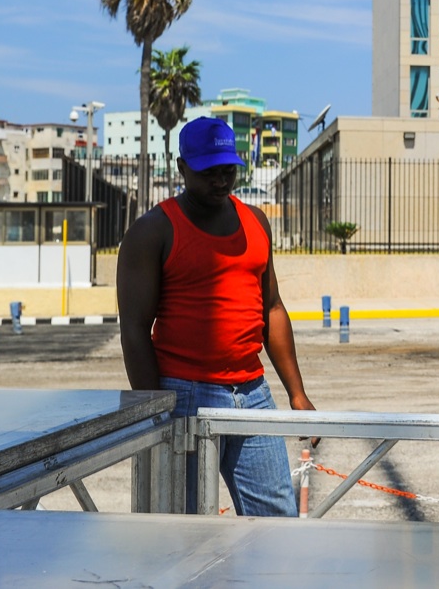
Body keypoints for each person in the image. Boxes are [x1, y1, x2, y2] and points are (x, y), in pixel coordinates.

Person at [117, 116, 316, 517]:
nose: (221, 180)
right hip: (185, 395)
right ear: (182, 168)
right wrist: (157, 410)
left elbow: (272, 308)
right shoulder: (153, 231)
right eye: (209, 172)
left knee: (276, 521)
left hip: (253, 393)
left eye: (229, 170)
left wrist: (297, 394)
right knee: (184, 528)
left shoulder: (255, 222)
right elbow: (135, 330)